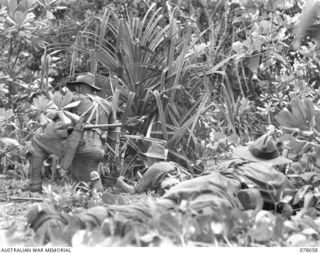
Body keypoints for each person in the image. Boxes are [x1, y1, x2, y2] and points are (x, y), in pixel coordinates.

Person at [22, 73, 116, 193]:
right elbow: (114, 130)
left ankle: (34, 183)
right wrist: (109, 151)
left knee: (37, 141)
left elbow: (57, 116)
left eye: (77, 87)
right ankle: (97, 187)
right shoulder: (107, 104)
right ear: (93, 88)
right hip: (97, 150)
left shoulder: (77, 98)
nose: (76, 90)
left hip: (79, 145)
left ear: (81, 87)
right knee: (83, 188)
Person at [116, 142, 192, 195]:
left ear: (152, 158)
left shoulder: (155, 167)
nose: (146, 160)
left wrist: (120, 183)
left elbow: (134, 191)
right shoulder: (171, 164)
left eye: (147, 158)